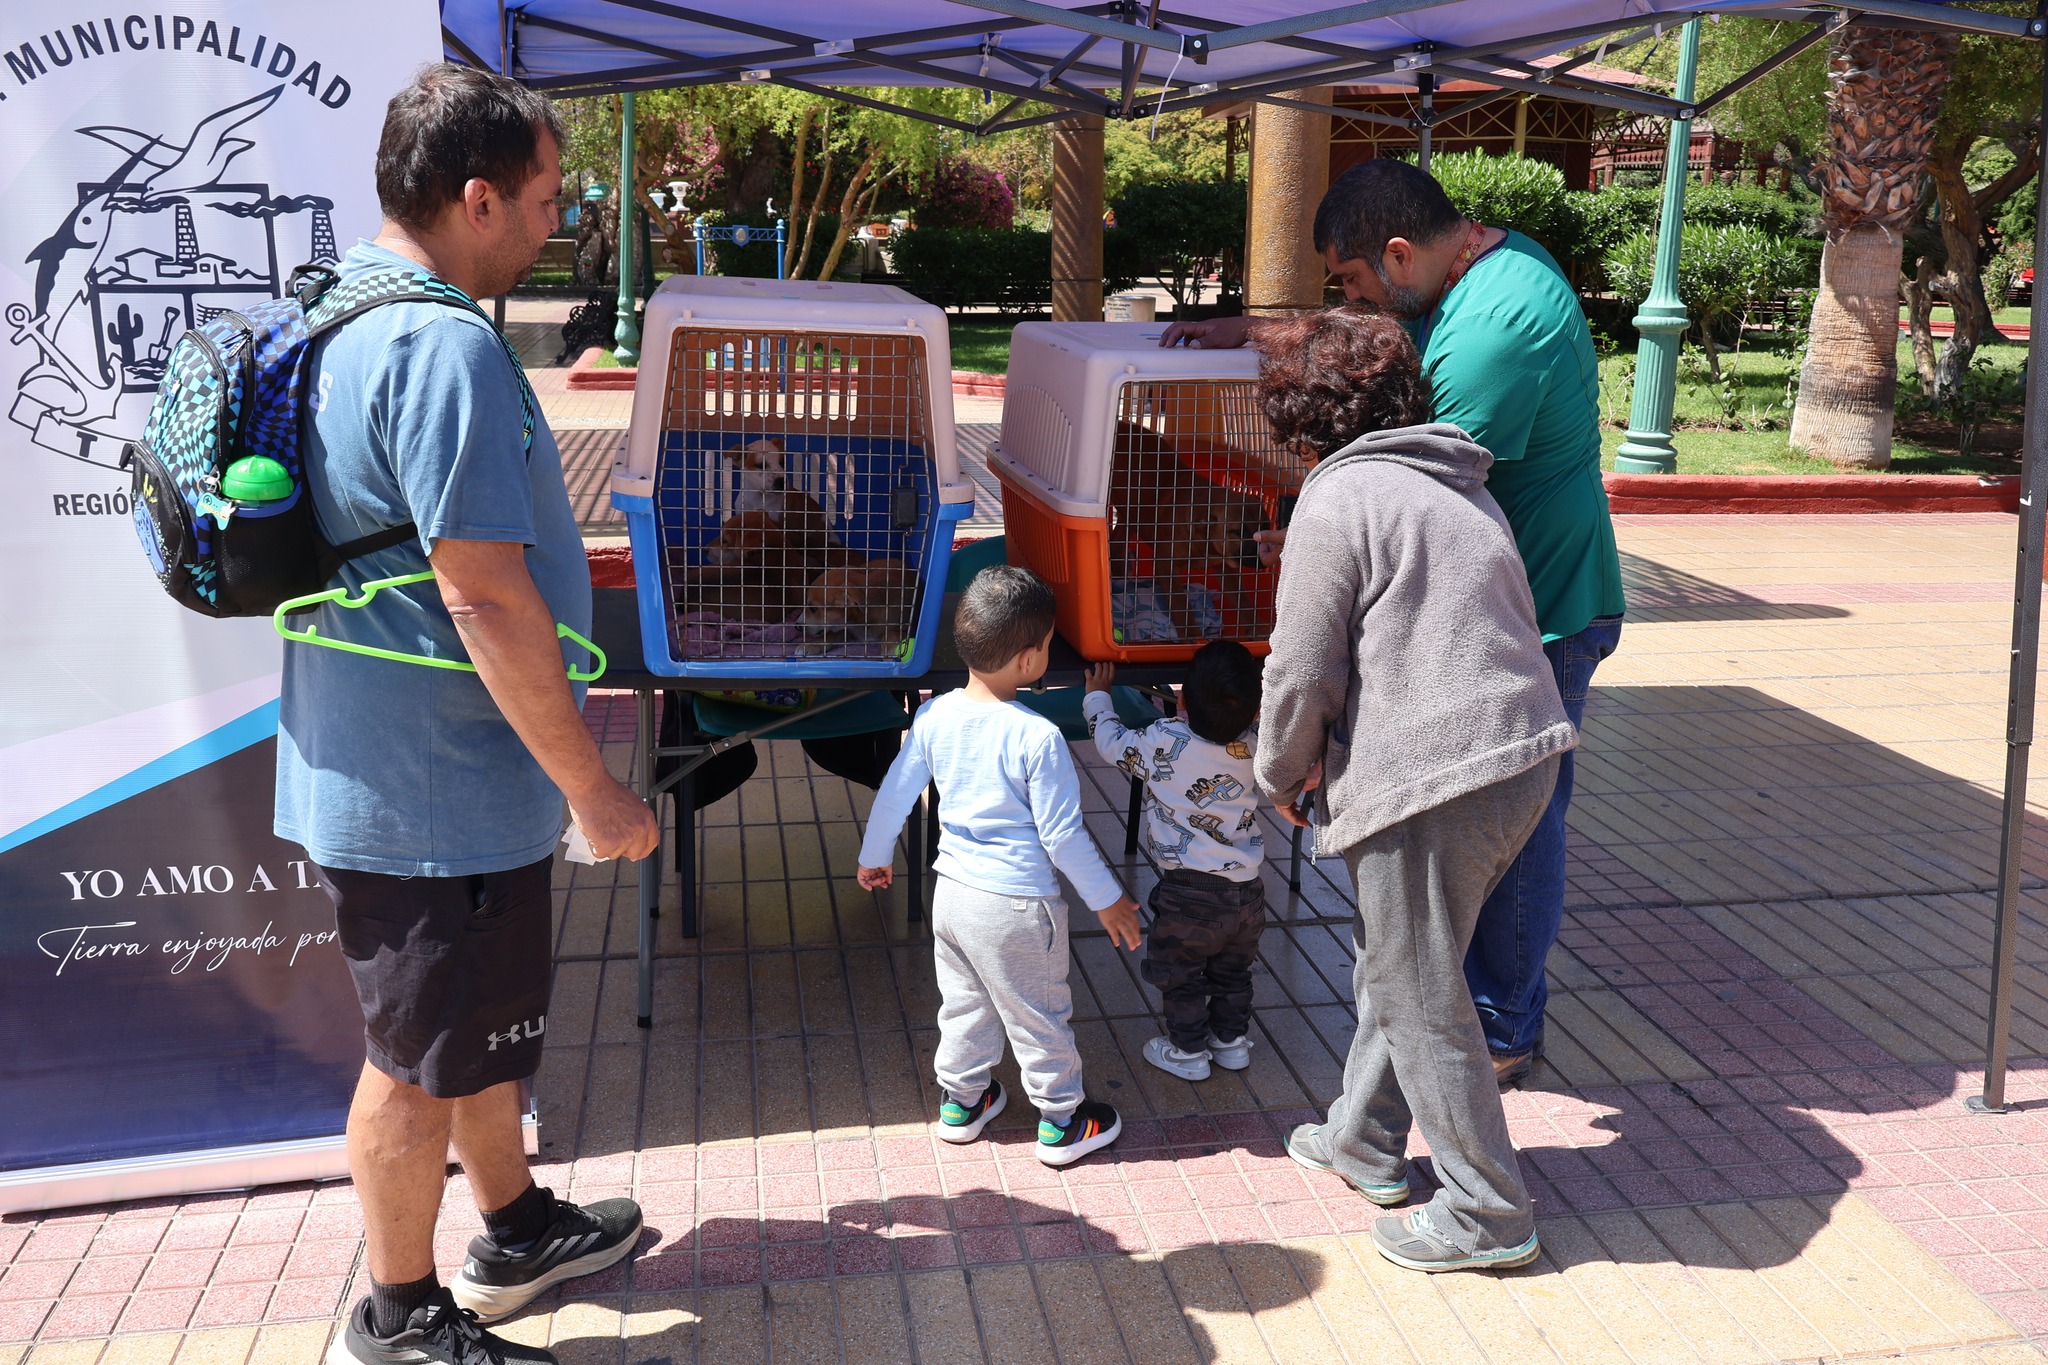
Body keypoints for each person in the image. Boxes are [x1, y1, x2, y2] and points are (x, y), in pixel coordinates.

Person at [276, 65, 660, 1365]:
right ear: (478, 198)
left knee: (469, 1028)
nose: (557, 223)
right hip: (429, 786)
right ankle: (397, 1317)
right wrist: (595, 790)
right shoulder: (436, 340)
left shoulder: (340, 308)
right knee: (408, 1059)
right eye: (546, 201)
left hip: (399, 760)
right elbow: (486, 597)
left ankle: (514, 1224)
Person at [1162, 158, 1625, 1087]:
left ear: (1403, 254)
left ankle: (1500, 1026)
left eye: (1353, 279)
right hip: (1494, 597)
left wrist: (1313, 536)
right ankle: (1426, 1023)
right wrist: (1254, 333)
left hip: (1539, 610)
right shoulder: (1472, 266)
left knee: (1525, 821)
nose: (1354, 296)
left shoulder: (1491, 335)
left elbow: (1405, 487)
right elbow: (1371, 356)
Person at [1252, 306, 1576, 1273]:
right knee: (1401, 961)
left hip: (1433, 771)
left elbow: (1301, 669)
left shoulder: (1336, 496)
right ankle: (1362, 1138)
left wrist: (1275, 771)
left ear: (1305, 420)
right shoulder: (1456, 483)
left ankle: (1488, 1210)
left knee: (1419, 985)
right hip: (1520, 752)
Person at [857, 566, 1142, 1166]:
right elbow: (1062, 838)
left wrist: (874, 855)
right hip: (1018, 905)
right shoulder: (1038, 737)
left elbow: (896, 792)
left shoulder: (933, 717)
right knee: (1036, 1010)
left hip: (953, 895)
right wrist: (1109, 898)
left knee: (963, 1002)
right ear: (1029, 658)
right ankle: (1063, 1118)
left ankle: (963, 1102)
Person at [1082, 643, 1267, 1082]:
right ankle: (1230, 1042)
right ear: (1257, 710)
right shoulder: (1257, 746)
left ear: (1181, 700)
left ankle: (1187, 1051)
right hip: (1248, 891)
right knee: (1233, 970)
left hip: (1187, 891)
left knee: (1180, 973)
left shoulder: (1166, 741)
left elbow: (1111, 743)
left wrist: (1098, 695)